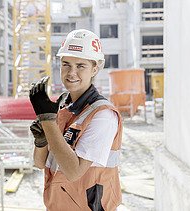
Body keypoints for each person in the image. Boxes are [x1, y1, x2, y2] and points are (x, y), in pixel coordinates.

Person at [29, 29, 123, 211]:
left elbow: (73, 172)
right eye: (66, 64)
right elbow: (40, 163)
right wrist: (41, 140)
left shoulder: (103, 115)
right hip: (58, 205)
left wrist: (48, 122)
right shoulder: (62, 106)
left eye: (80, 66)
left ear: (95, 68)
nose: (71, 73)